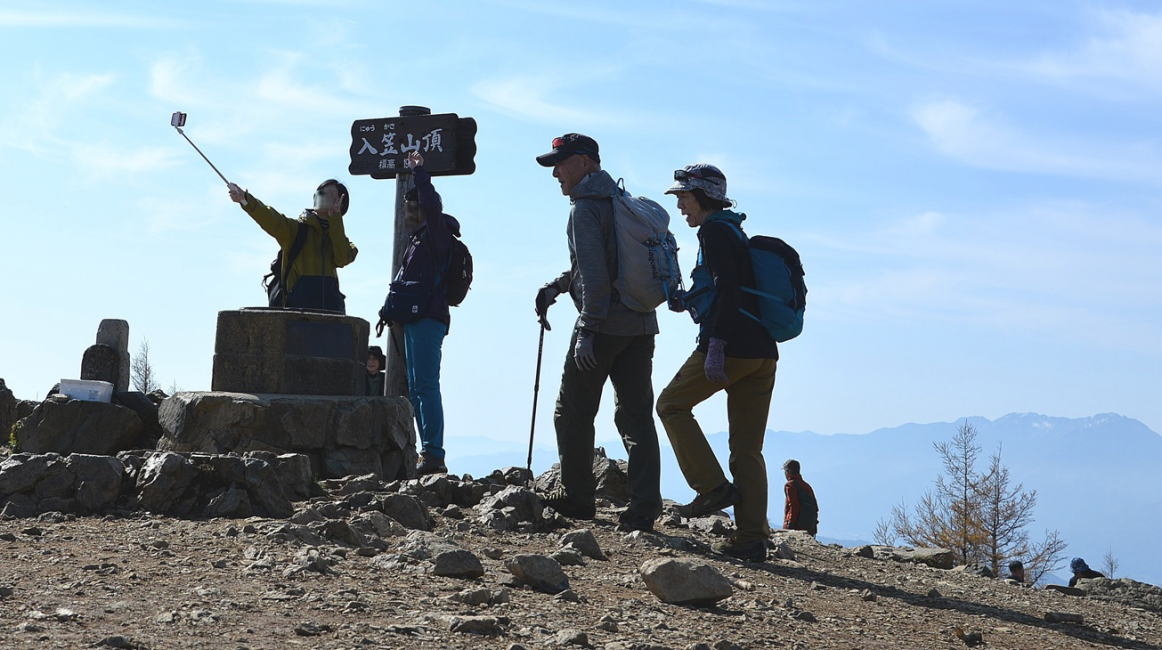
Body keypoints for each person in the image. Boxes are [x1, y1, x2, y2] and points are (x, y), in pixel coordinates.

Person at [533, 133, 663, 532]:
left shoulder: (585, 209)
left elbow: (593, 273)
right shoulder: (622, 203)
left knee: (571, 412)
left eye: (562, 163)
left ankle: (576, 497)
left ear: (587, 162)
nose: (556, 173)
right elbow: (602, 265)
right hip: (640, 326)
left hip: (601, 326)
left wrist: (588, 328)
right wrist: (557, 286)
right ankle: (643, 508)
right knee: (636, 415)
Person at [656, 163, 779, 562]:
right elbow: (731, 286)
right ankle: (752, 537)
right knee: (747, 448)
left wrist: (715, 343)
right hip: (763, 350)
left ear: (703, 196)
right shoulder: (733, 229)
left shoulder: (713, 231)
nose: (680, 206)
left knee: (670, 405)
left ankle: (711, 487)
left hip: (732, 346)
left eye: (684, 198)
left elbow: (728, 290)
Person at [377, 151, 460, 476]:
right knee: (418, 386)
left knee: (425, 386)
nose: (408, 212)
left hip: (428, 319)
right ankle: (428, 453)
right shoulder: (419, 242)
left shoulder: (437, 234)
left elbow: (431, 202)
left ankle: (434, 454)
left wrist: (420, 172)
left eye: (412, 207)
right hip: (415, 320)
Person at [227, 178, 357, 313]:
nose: (320, 196)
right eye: (319, 193)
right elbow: (270, 218)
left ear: (341, 203)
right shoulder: (296, 230)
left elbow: (342, 258)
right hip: (298, 315)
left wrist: (336, 220)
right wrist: (245, 199)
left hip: (330, 317)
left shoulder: (339, 239)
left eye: (327, 194)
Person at [782, 459, 818, 536]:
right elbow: (815, 507)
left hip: (797, 526)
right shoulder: (806, 486)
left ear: (788, 472)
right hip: (809, 526)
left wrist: (789, 526)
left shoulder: (790, 485)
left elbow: (794, 506)